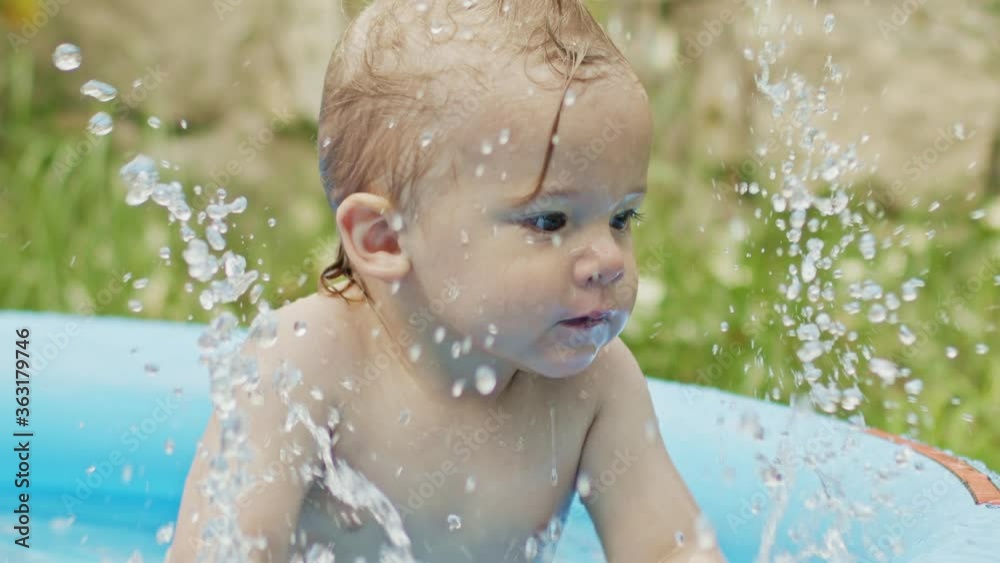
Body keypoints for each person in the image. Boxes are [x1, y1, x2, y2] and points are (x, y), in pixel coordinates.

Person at [169, 0, 728, 561]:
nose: (607, 258)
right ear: (385, 238)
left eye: (621, 218)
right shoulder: (304, 363)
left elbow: (669, 549)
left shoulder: (594, 386)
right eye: (549, 220)